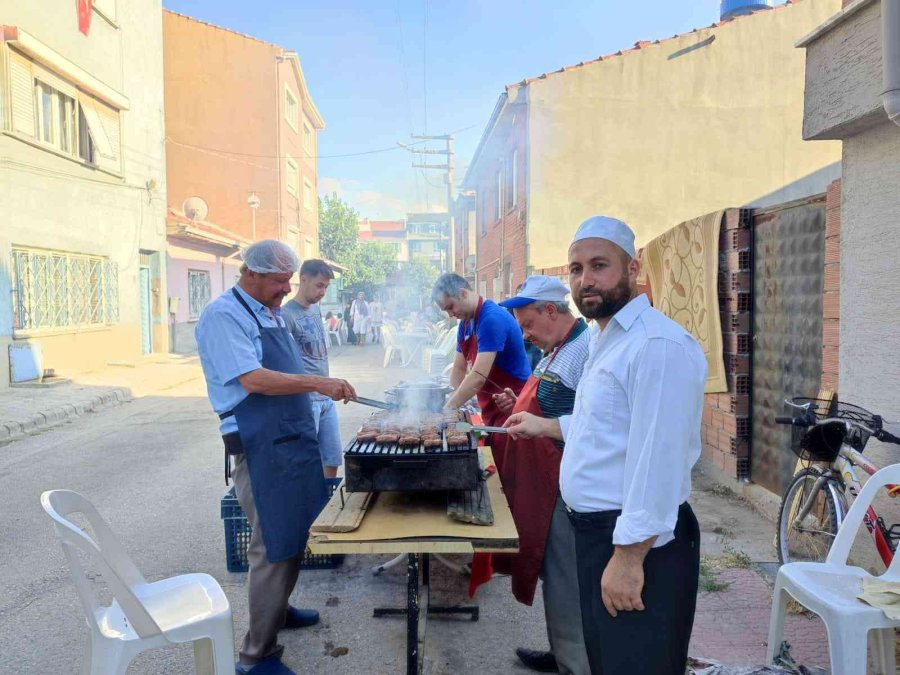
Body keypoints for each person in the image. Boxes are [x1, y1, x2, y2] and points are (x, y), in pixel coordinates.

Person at [505, 216, 706, 675]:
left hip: (638, 541)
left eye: (599, 265)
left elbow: (659, 458)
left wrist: (629, 558)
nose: (585, 279)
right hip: (599, 535)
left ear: (632, 269)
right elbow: (606, 426)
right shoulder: (605, 337)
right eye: (576, 269)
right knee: (607, 660)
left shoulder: (656, 344)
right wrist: (546, 427)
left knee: (635, 663)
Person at [195, 240, 357, 675]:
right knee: (272, 547)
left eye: (289, 280)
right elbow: (253, 379)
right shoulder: (224, 315)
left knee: (293, 533)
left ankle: (279, 612)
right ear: (252, 273)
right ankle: (256, 654)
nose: (286, 289)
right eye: (279, 281)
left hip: (289, 437)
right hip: (260, 442)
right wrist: (317, 384)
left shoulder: (267, 311)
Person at [491, 276, 591, 675]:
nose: (525, 334)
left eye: (528, 323)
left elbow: (596, 420)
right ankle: (561, 651)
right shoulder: (554, 350)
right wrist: (518, 402)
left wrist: (543, 425)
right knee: (555, 576)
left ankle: (576, 665)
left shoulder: (587, 350)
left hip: (567, 484)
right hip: (545, 483)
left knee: (568, 583)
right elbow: (551, 402)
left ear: (551, 310)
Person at [431, 273, 531, 469]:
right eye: (446, 310)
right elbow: (459, 369)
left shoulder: (491, 319)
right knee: (494, 461)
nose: (450, 314)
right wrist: (457, 404)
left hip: (512, 406)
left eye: (450, 307)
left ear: (462, 293)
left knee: (508, 469)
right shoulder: (465, 323)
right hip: (490, 407)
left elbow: (477, 377)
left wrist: (449, 408)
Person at [281, 260, 344, 480]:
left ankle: (327, 499)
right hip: (305, 400)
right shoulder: (286, 315)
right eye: (319, 285)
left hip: (325, 398)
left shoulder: (316, 310)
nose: (323, 292)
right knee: (305, 458)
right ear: (303, 280)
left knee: (332, 456)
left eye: (326, 287)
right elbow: (284, 363)